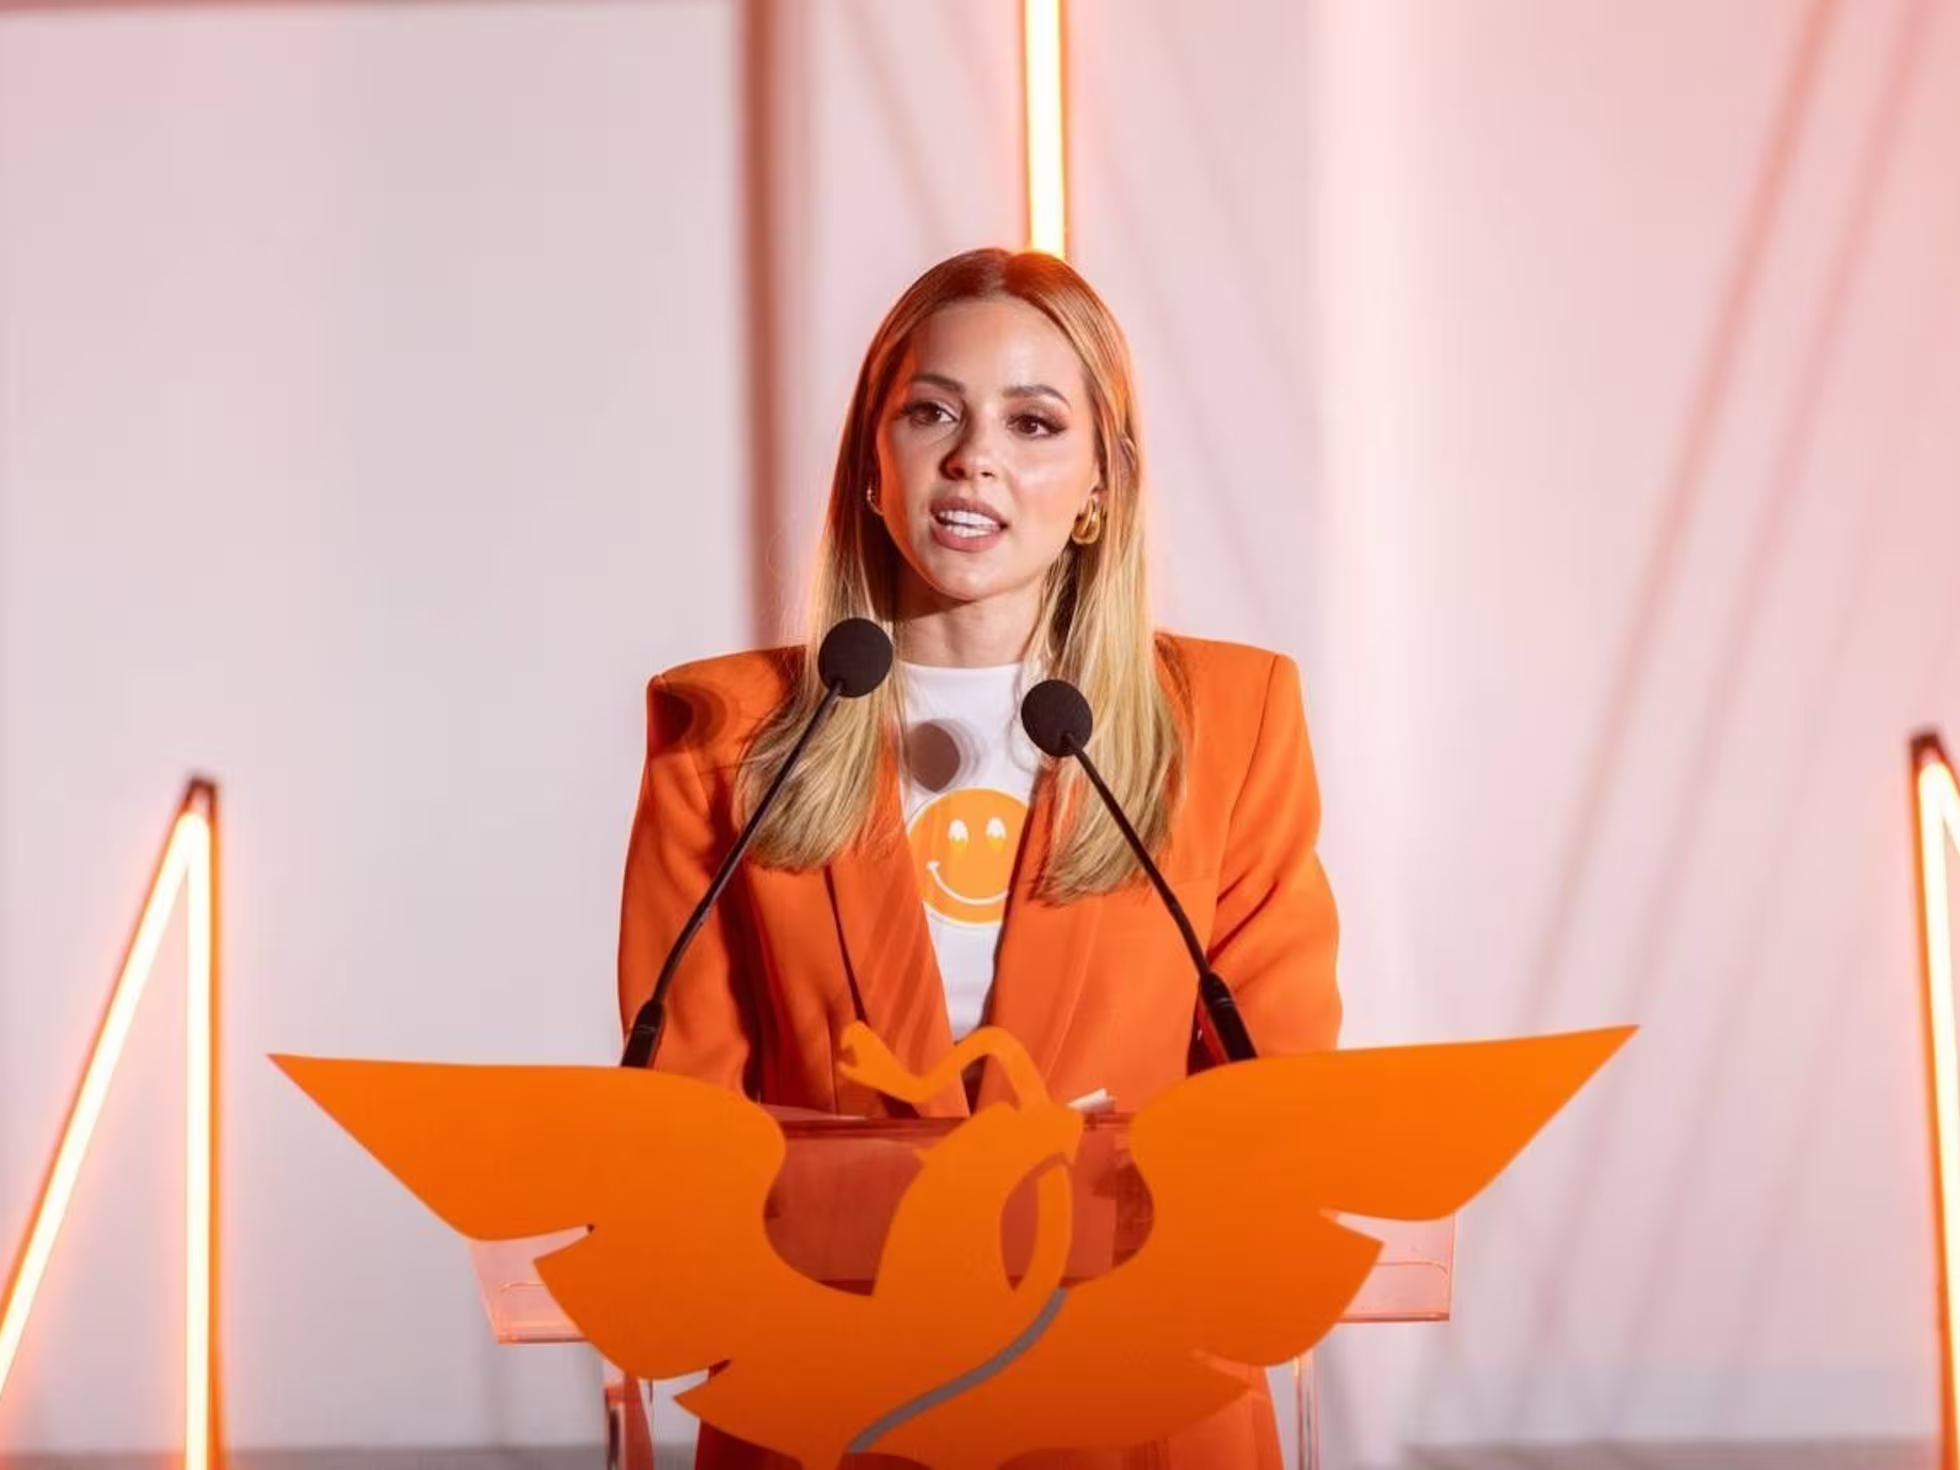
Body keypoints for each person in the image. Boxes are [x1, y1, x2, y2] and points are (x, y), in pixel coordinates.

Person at [617, 247, 1340, 1469]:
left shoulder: (1231, 720)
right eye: (931, 412)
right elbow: (683, 1117)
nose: (973, 457)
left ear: (1100, 487)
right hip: (833, 1398)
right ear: (872, 462)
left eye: (1032, 422)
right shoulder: (724, 734)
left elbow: (1277, 1096)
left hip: (1137, 1400)